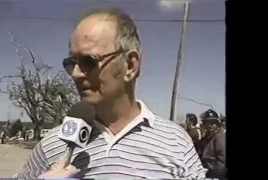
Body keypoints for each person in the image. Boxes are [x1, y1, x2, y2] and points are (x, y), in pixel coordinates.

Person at [15, 7, 207, 179]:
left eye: (88, 61)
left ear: (130, 65)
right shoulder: (53, 143)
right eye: (71, 63)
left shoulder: (175, 141)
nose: (76, 74)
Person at [197, 109, 226, 178]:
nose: (210, 125)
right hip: (205, 170)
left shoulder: (219, 137)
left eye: (212, 123)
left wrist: (214, 174)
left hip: (215, 172)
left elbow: (222, 160)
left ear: (217, 124)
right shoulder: (207, 137)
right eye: (207, 123)